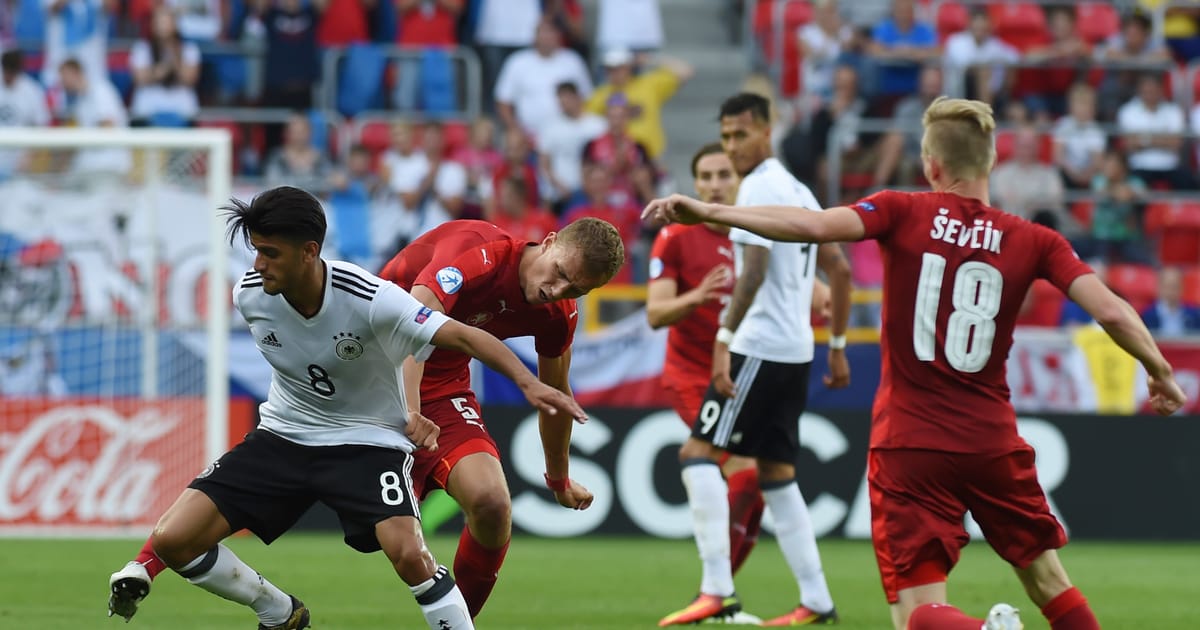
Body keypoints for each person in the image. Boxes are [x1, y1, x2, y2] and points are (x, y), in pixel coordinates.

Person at [643, 96, 1188, 630]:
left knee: (916, 614)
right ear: (992, 160)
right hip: (991, 440)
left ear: (931, 165)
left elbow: (809, 227)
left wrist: (711, 210)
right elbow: (1113, 312)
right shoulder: (1035, 239)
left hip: (909, 443)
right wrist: (1159, 371)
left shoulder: (900, 209)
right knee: (1048, 581)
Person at [105, 186, 587, 630]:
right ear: (547, 245)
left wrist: (525, 386)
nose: (258, 264)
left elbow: (446, 332)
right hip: (286, 435)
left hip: (369, 436)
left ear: (309, 251)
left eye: (269, 253)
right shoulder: (249, 296)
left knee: (421, 547)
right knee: (173, 540)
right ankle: (277, 610)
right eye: (256, 250)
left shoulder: (366, 296)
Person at [657, 93, 852, 628]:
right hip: (797, 351)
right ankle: (816, 600)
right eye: (725, 137)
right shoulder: (800, 190)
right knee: (777, 474)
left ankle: (716, 588)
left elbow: (755, 270)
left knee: (696, 454)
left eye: (740, 135)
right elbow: (840, 268)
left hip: (760, 346)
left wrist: (723, 337)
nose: (732, 146)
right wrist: (835, 346)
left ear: (767, 132)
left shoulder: (760, 186)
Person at [375, 216, 625, 620]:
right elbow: (411, 328)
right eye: (560, 273)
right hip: (362, 372)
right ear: (547, 242)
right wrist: (409, 409)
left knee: (492, 504)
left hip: (440, 388)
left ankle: (457, 625)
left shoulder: (558, 313)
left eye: (576, 289)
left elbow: (556, 395)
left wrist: (558, 479)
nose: (556, 291)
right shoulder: (476, 252)